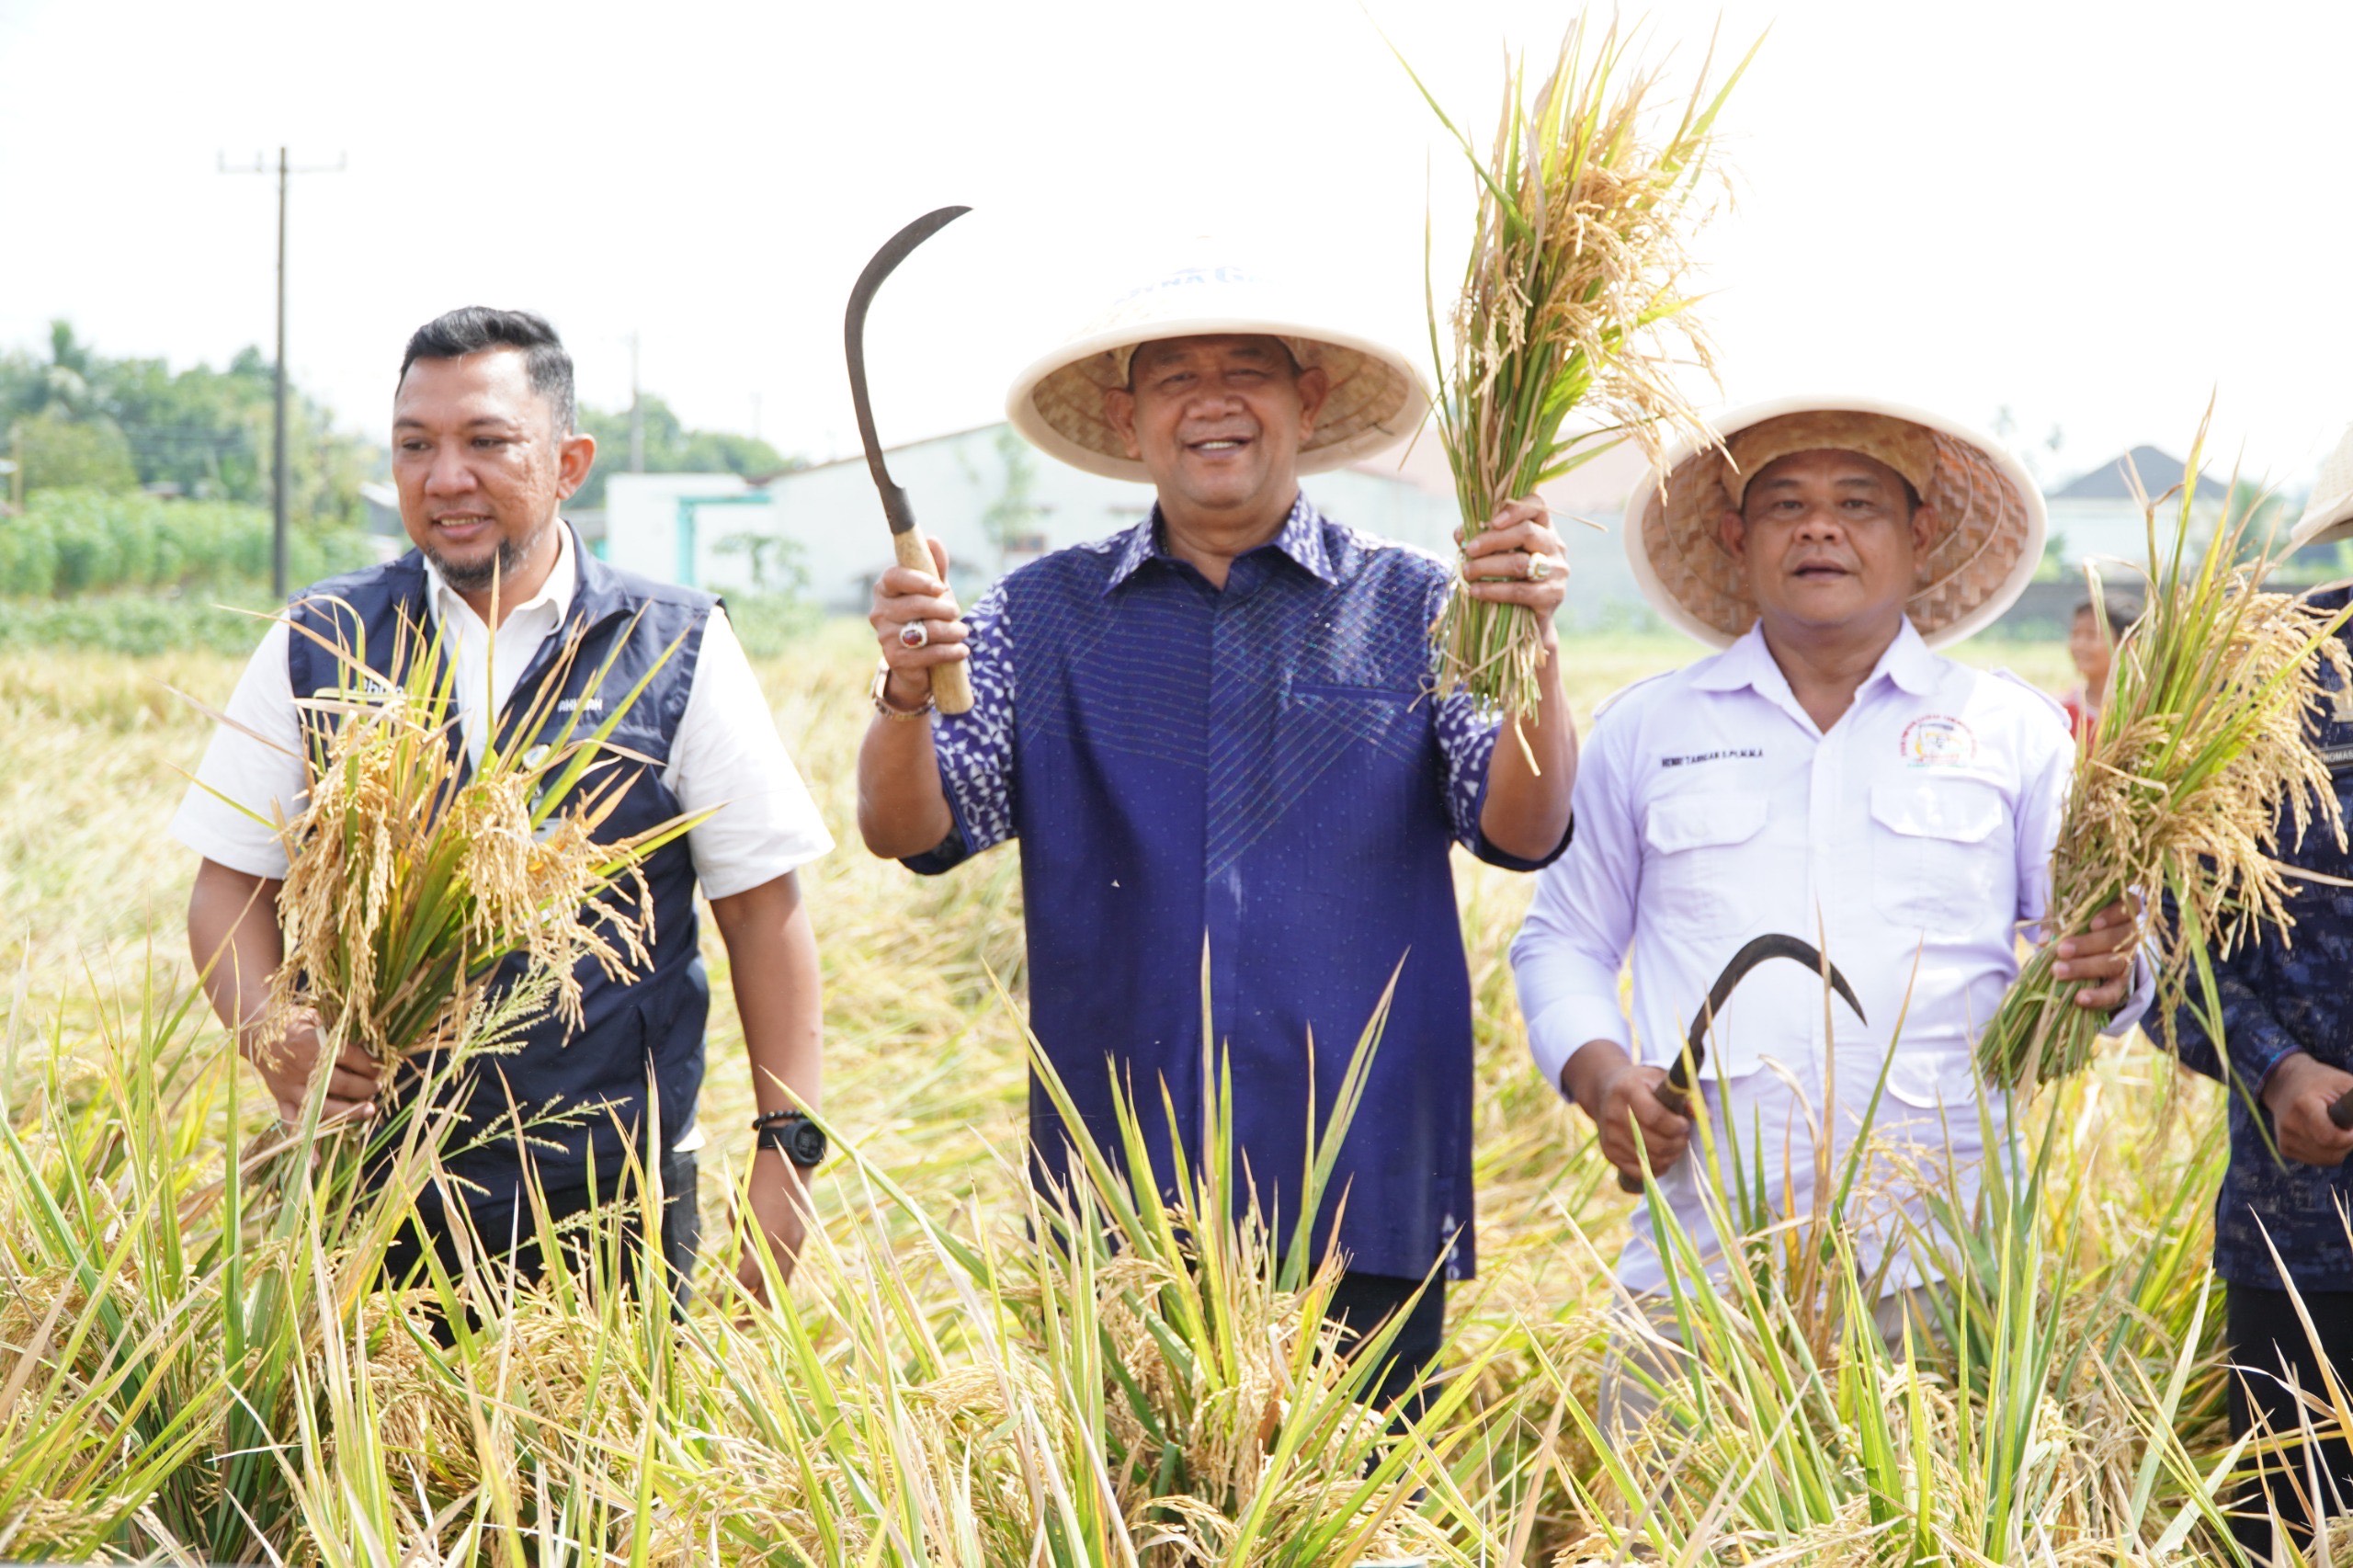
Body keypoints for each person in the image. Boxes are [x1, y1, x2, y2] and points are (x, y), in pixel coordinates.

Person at [854, 263, 1578, 1413]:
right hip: (1125, 1184)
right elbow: (913, 829)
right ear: (1127, 417)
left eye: (1246, 372)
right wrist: (901, 689)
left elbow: (1521, 829)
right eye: (1175, 377)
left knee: (1355, 1510)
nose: (1212, 400)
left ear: (1307, 399)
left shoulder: (1417, 606)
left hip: (1362, 1181)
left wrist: (1533, 646)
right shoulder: (1041, 615)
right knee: (1140, 1516)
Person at [1508, 398, 2148, 1429]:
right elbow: (1562, 940)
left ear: (1919, 534)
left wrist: (2114, 970)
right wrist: (1600, 1072)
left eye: (1857, 503)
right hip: (1701, 1267)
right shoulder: (1646, 729)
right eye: (1784, 506)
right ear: (1735, 537)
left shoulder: (2011, 733)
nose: (1819, 528)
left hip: (1942, 1269)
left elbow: (2104, 965)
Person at [176, 307, 832, 1304]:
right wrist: (279, 1038)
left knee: (604, 1463)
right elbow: (228, 888)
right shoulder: (321, 638)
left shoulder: (670, 645)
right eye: (415, 445)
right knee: (359, 1458)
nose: (445, 477)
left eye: (486, 442)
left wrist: (786, 1167)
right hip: (367, 1187)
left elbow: (762, 914)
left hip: (615, 1194)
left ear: (568, 462)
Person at [2167, 426, 2353, 1559]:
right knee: (2296, 1538)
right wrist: (2274, 1064)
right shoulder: (2264, 680)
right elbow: (2163, 944)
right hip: (2307, 1238)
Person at [2060, 590, 2139, 742]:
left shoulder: (2142, 712)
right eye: (2075, 634)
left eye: (2092, 635)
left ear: (2128, 644)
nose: (2079, 645)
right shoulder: (2061, 712)